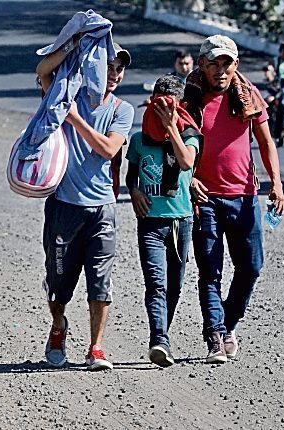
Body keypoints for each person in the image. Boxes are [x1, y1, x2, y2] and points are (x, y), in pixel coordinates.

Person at [186, 35, 284, 363]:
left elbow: (266, 142)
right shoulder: (190, 100)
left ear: (235, 65)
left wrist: (276, 184)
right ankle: (215, 335)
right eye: (213, 63)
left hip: (244, 197)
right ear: (201, 65)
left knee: (252, 267)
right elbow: (173, 148)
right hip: (206, 199)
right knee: (210, 271)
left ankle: (227, 324)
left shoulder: (247, 96)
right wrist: (190, 178)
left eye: (226, 63)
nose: (220, 70)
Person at [35, 41, 135, 371]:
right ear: (92, 67)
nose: (115, 74)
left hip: (102, 208)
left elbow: (108, 149)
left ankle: (96, 348)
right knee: (58, 283)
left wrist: (75, 119)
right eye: (108, 66)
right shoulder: (67, 95)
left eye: (119, 68)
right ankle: (59, 326)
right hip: (64, 207)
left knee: (100, 281)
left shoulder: (122, 109)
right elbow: (43, 72)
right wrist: (76, 45)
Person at [125, 74, 199, 367]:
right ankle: (159, 340)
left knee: (175, 285)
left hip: (181, 220)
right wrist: (133, 191)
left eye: (170, 104)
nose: (163, 108)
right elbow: (132, 173)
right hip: (151, 221)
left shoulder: (190, 135)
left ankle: (162, 333)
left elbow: (186, 162)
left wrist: (171, 127)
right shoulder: (139, 139)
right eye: (159, 103)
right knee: (156, 283)